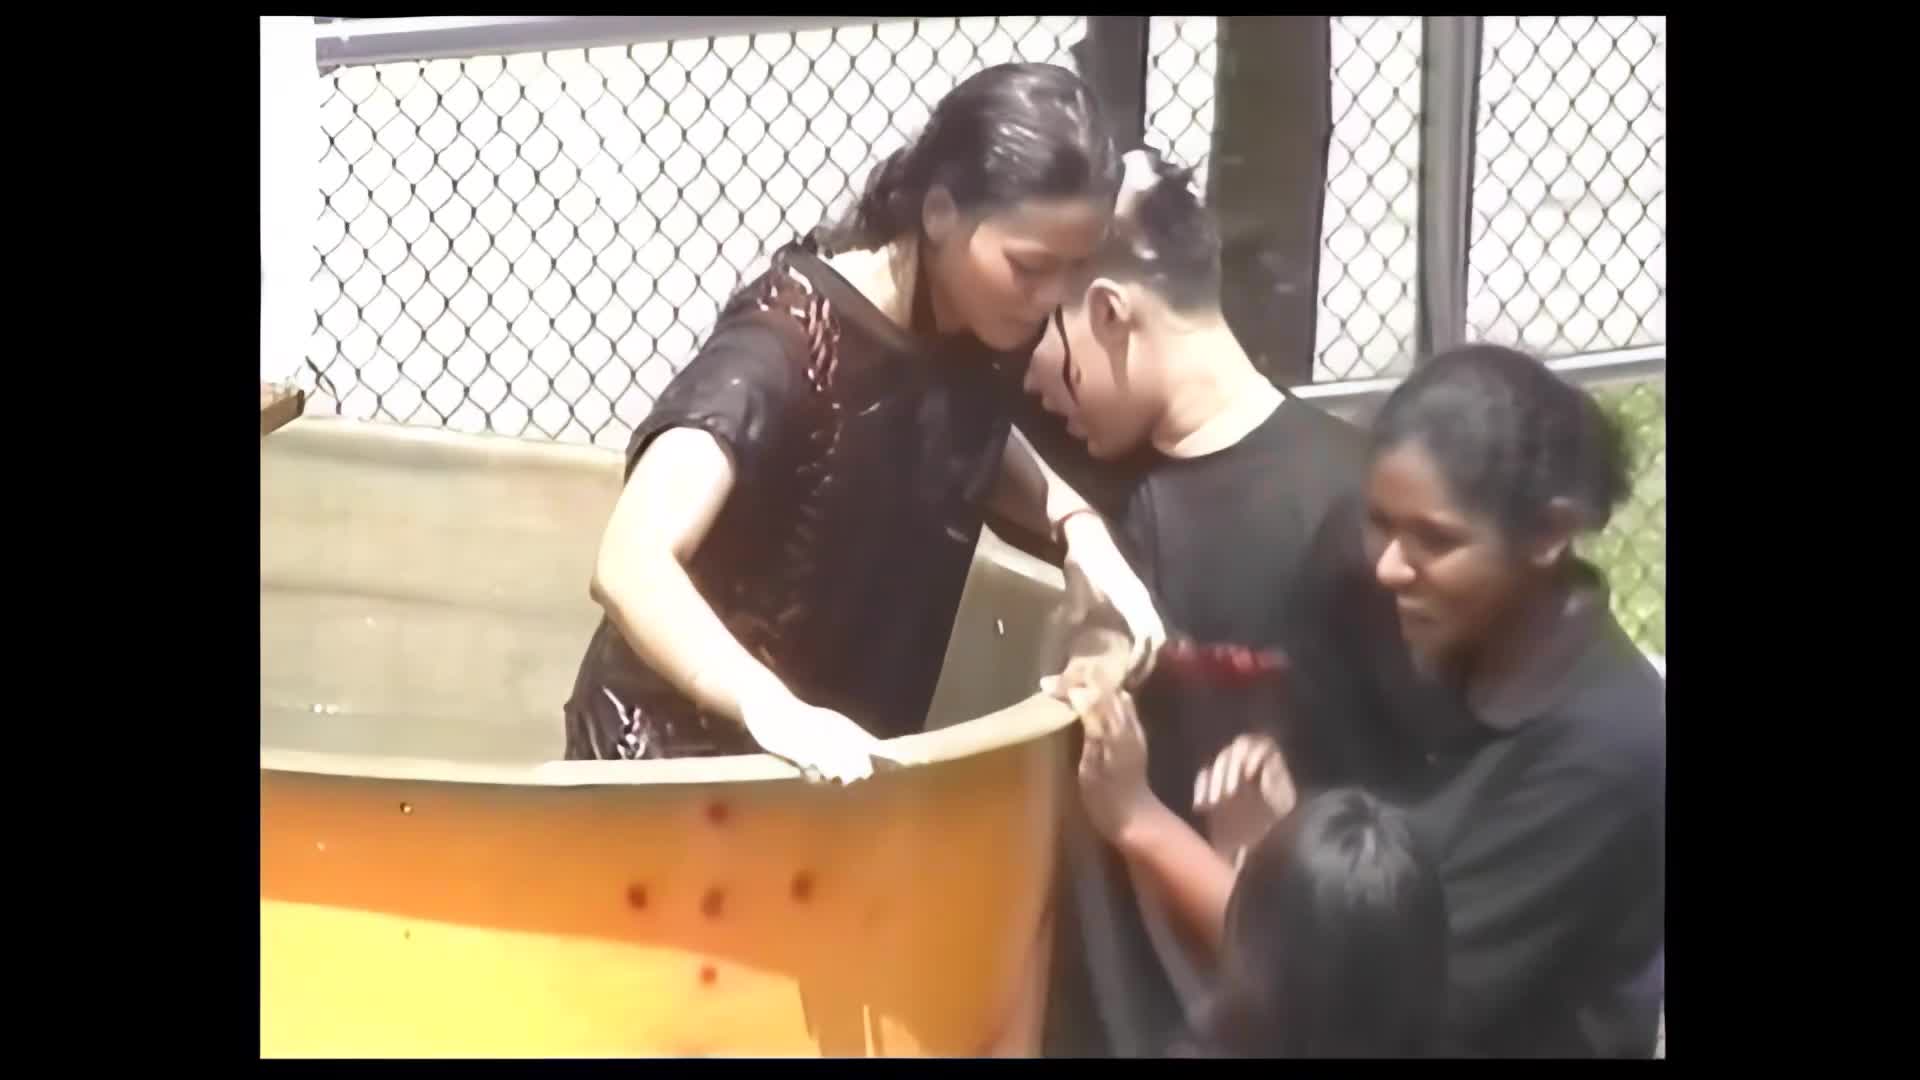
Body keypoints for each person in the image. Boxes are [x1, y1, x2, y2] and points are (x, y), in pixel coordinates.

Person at [562, 63, 1166, 783]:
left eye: (1074, 268)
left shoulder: (976, 324)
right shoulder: (787, 347)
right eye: (1028, 266)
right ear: (939, 212)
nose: (1050, 298)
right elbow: (630, 561)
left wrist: (1077, 527)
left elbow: (953, 425)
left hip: (835, 767)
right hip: (666, 769)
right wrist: (768, 707)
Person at [1085, 343, 1666, 1057]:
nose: (1390, 564)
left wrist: (1142, 823)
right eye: (1380, 522)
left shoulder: (1608, 747)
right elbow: (1314, 736)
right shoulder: (1373, 587)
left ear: (1549, 534)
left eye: (1436, 540)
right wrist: (1283, 782)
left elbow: (1367, 1006)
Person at [1012, 148, 1374, 1053]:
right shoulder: (1078, 475)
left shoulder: (1356, 517)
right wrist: (1072, 522)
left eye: (1038, 346)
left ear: (1108, 313)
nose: (1028, 382)